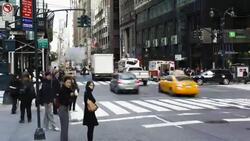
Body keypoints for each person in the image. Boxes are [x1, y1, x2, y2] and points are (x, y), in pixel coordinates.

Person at [58, 76, 74, 141]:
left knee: (64, 127)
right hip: (63, 109)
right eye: (67, 82)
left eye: (70, 83)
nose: (69, 84)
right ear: (64, 82)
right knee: (65, 127)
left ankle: (64, 139)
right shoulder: (63, 90)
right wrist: (71, 96)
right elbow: (65, 101)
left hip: (64, 109)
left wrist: (71, 94)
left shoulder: (67, 89)